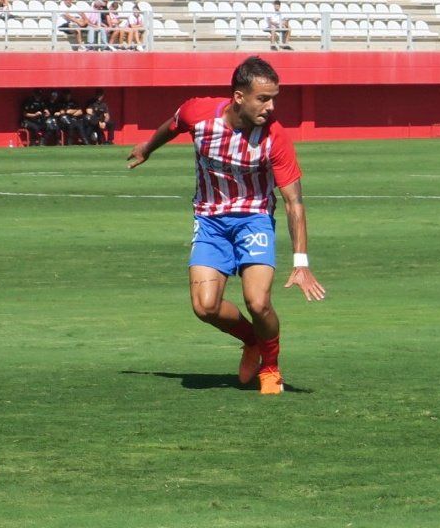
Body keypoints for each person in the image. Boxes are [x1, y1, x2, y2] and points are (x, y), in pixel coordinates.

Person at [126, 57, 326, 394]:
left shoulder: (275, 136)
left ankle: (272, 365)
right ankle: (252, 341)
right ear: (238, 97)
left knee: (258, 302)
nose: (271, 106)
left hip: (254, 219)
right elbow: (172, 124)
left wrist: (302, 263)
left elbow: (295, 202)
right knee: (205, 307)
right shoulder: (199, 114)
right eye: (263, 98)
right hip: (209, 221)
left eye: (274, 97)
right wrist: (148, 146)